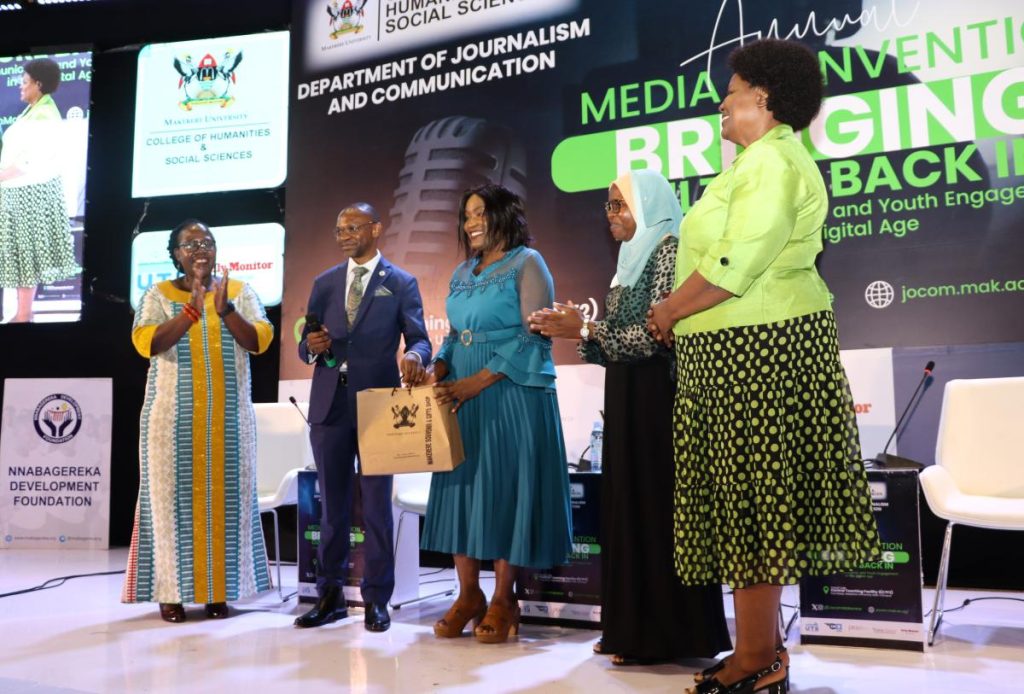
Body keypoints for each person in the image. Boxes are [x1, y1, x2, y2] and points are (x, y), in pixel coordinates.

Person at [647, 39, 880, 694]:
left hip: (757, 350)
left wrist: (666, 312)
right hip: (740, 348)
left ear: (763, 97)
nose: (721, 101)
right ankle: (760, 652)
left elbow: (733, 266)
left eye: (732, 88)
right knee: (750, 506)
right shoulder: (758, 163)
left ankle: (757, 658)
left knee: (754, 507)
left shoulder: (772, 165)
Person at [529, 170, 732, 665]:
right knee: (628, 511)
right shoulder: (628, 259)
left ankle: (668, 635)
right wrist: (579, 332)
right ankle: (630, 629)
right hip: (626, 399)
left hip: (657, 403)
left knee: (658, 513)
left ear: (647, 205)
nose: (612, 215)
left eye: (620, 205)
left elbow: (657, 335)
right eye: (608, 206)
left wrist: (589, 328)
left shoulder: (667, 249)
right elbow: (615, 344)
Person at [421, 183, 572, 644]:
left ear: (504, 215)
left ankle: (505, 599)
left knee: (506, 491)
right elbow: (454, 335)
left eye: (479, 213)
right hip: (460, 390)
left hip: (510, 390)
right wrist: (438, 365)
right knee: (462, 489)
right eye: (466, 215)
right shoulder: (462, 271)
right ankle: (468, 595)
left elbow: (533, 336)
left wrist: (476, 381)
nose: (470, 223)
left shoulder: (528, 263)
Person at [122, 219, 275, 622]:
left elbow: (259, 340)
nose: (200, 249)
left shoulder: (239, 293)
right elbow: (147, 343)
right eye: (190, 245)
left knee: (228, 504)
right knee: (171, 505)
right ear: (175, 254)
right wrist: (189, 311)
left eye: (206, 242)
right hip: (171, 422)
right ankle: (170, 593)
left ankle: (218, 593)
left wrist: (223, 310)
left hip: (229, 422)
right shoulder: (158, 294)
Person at [295, 202, 431, 632]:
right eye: (339, 228)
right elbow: (305, 346)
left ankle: (377, 598)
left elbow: (422, 341)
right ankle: (330, 596)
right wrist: (311, 345)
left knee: (376, 508)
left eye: (354, 226)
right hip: (329, 406)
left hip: (378, 408)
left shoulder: (402, 283)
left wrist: (413, 354)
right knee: (331, 509)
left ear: (376, 228)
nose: (345, 234)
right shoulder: (324, 283)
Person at [0, 58, 80, 323]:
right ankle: (23, 314)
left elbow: (29, 162)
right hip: (20, 192)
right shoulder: (34, 110)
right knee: (24, 256)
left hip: (31, 194)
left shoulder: (44, 115)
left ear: (38, 84)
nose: (20, 88)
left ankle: (23, 316)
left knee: (26, 256)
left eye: (24, 83)